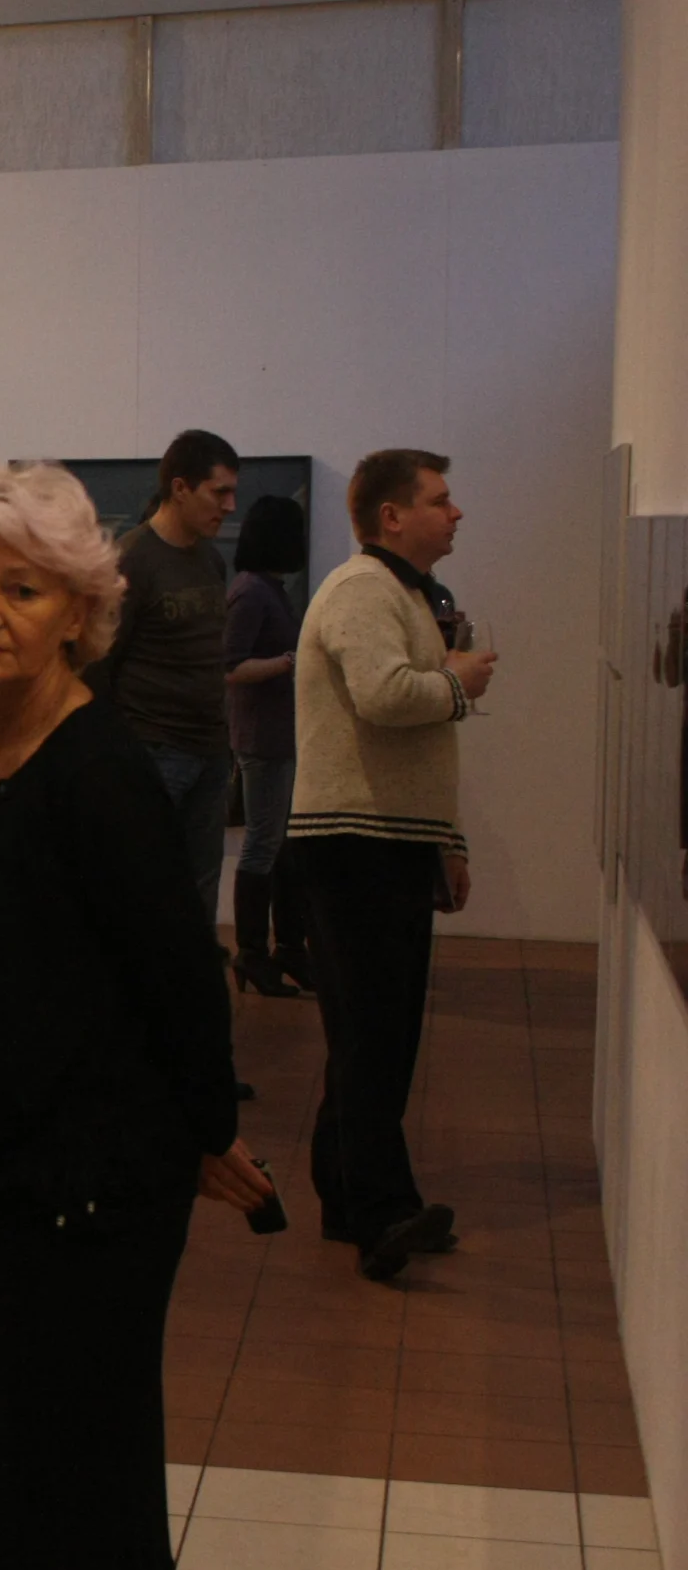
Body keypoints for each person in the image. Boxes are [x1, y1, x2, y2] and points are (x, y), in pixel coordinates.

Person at [0, 460, 274, 1570]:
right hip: (5, 1176)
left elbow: (177, 973)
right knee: (25, 1457)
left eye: (22, 589)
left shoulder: (94, 767)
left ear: (79, 610)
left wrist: (204, 1127)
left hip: (91, 1188)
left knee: (76, 1463)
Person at [289, 450, 495, 1282]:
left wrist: (448, 841)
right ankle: (379, 1214)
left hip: (386, 838)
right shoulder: (362, 591)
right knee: (374, 1033)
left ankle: (349, 1196)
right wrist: (459, 683)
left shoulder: (404, 593)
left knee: (375, 1032)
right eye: (440, 500)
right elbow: (383, 695)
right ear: (391, 517)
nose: (456, 512)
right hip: (354, 841)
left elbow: (421, 739)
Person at [92, 430, 241, 923]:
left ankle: (189, 970)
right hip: (153, 750)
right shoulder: (132, 559)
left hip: (210, 749)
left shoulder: (210, 559)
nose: (230, 506)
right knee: (140, 886)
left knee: (200, 886)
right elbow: (98, 663)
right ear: (180, 488)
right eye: (219, 492)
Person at [222, 493, 311, 997]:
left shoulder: (268, 589)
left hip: (279, 736)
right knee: (263, 843)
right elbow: (231, 666)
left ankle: (289, 949)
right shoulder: (253, 592)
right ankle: (253, 953)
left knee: (283, 845)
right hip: (263, 738)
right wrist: (288, 662)